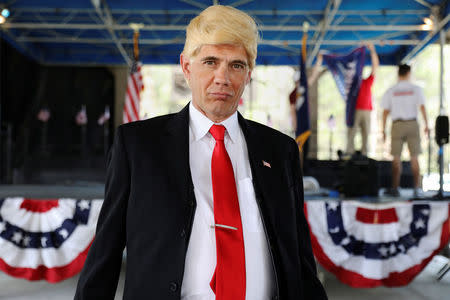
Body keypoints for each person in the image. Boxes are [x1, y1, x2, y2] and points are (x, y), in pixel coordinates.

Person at [74, 5, 327, 300]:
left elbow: (299, 255)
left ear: (249, 74)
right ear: (186, 66)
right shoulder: (138, 145)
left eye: (236, 65)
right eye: (210, 61)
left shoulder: (280, 150)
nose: (223, 77)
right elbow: (105, 251)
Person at [381, 64, 429, 197]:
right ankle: (416, 188)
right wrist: (426, 125)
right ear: (408, 73)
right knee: (414, 157)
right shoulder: (415, 89)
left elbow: (385, 112)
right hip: (412, 123)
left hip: (397, 125)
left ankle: (395, 188)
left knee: (396, 158)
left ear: (398, 74)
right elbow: (422, 108)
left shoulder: (391, 90)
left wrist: (383, 130)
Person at [346, 42, 379, 156]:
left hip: (366, 110)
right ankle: (349, 152)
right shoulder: (352, 84)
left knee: (366, 133)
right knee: (352, 131)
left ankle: (364, 153)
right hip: (354, 109)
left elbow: (375, 67)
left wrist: (372, 51)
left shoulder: (367, 81)